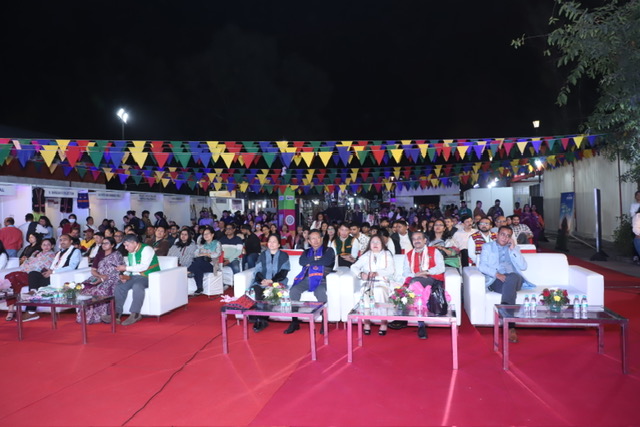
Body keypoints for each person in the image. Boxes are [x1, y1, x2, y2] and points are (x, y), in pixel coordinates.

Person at [478, 226, 528, 343]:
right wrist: (496, 274)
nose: (505, 237)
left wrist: (513, 249)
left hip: (515, 279)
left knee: (512, 278)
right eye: (502, 234)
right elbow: (482, 266)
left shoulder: (514, 248)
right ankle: (510, 325)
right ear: (497, 234)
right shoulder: (487, 247)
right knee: (508, 285)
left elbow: (523, 266)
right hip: (496, 280)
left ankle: (506, 316)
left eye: (508, 236)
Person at [283, 229, 335, 334]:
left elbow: (326, 261)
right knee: (293, 291)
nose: (315, 240)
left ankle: (324, 321)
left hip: (322, 279)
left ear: (321, 239)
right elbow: (302, 262)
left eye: (317, 238)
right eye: (313, 238)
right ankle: (294, 321)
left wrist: (310, 261)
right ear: (309, 241)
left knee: (320, 291)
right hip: (306, 279)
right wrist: (317, 259)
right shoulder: (306, 252)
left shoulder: (329, 250)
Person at [102, 234, 160, 326]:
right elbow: (131, 266)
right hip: (134, 276)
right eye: (125, 245)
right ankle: (116, 314)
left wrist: (125, 268)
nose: (125, 248)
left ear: (134, 243)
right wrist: (125, 275)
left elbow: (143, 267)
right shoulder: (131, 251)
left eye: (127, 245)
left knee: (137, 286)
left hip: (148, 276)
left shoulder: (147, 249)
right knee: (120, 286)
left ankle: (135, 314)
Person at [23, 234, 82, 322]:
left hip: (62, 277)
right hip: (52, 275)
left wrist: (53, 272)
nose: (62, 242)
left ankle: (31, 311)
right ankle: (33, 292)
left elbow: (72, 267)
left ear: (71, 241)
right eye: (61, 240)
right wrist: (48, 271)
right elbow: (53, 265)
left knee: (36, 283)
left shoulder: (75, 251)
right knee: (33, 274)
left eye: (65, 239)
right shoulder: (59, 252)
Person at [403, 230, 447, 339]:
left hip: (433, 279)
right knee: (415, 284)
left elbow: (441, 267)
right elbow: (405, 272)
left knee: (414, 284)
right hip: (416, 279)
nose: (416, 241)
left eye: (419, 238)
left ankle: (405, 317)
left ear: (425, 240)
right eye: (414, 239)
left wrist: (426, 272)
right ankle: (421, 324)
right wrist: (416, 274)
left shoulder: (434, 251)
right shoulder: (408, 255)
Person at [350, 235, 395, 336]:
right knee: (365, 291)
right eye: (373, 242)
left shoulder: (387, 254)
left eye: (378, 242)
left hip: (382, 282)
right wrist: (361, 274)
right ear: (369, 244)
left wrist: (377, 273)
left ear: (382, 244)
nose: (375, 244)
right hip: (369, 283)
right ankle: (366, 322)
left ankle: (383, 323)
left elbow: (391, 270)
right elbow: (354, 266)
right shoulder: (366, 255)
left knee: (379, 291)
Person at [4, 237, 57, 321]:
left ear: (52, 246)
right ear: (41, 246)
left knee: (11, 277)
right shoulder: (37, 254)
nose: (46, 247)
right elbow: (26, 263)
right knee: (12, 281)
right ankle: (11, 309)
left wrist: (28, 268)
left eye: (48, 245)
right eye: (44, 245)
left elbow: (43, 267)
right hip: (27, 272)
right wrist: (26, 266)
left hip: (35, 275)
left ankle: (12, 310)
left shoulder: (52, 255)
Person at [76, 237, 125, 324]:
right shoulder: (99, 254)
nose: (103, 245)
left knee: (100, 289)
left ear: (112, 245)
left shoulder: (117, 254)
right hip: (99, 276)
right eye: (103, 243)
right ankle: (86, 314)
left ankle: (101, 315)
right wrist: (100, 276)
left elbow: (120, 270)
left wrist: (104, 278)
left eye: (106, 243)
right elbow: (93, 270)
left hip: (112, 277)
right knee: (83, 286)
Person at [251, 234, 291, 332]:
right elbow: (257, 270)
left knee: (269, 293)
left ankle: (261, 320)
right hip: (263, 281)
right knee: (257, 290)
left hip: (278, 281)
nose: (271, 244)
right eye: (270, 241)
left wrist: (271, 281)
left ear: (279, 244)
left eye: (274, 241)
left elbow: (284, 272)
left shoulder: (284, 255)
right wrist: (262, 280)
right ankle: (260, 318)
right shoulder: (262, 255)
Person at [187, 226, 221, 296]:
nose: (206, 235)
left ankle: (189, 271)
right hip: (201, 264)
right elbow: (195, 253)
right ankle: (199, 288)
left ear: (212, 234)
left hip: (212, 265)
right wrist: (201, 255)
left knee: (199, 262)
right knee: (198, 265)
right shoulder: (202, 245)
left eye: (207, 233)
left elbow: (218, 254)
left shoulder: (217, 243)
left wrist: (207, 254)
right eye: (204, 234)